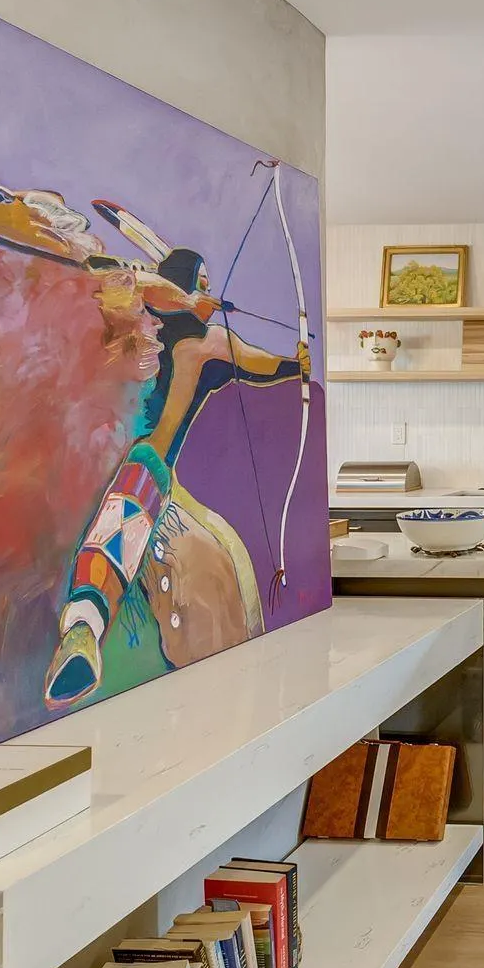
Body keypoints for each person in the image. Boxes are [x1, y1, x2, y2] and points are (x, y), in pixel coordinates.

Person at [45, 202, 309, 707]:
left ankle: (83, 628)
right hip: (85, 450)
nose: (206, 293)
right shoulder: (131, 315)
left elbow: (260, 362)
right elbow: (121, 280)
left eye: (207, 286)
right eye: (200, 282)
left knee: (136, 483)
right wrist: (184, 298)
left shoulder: (205, 345)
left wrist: (292, 361)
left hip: (142, 463)